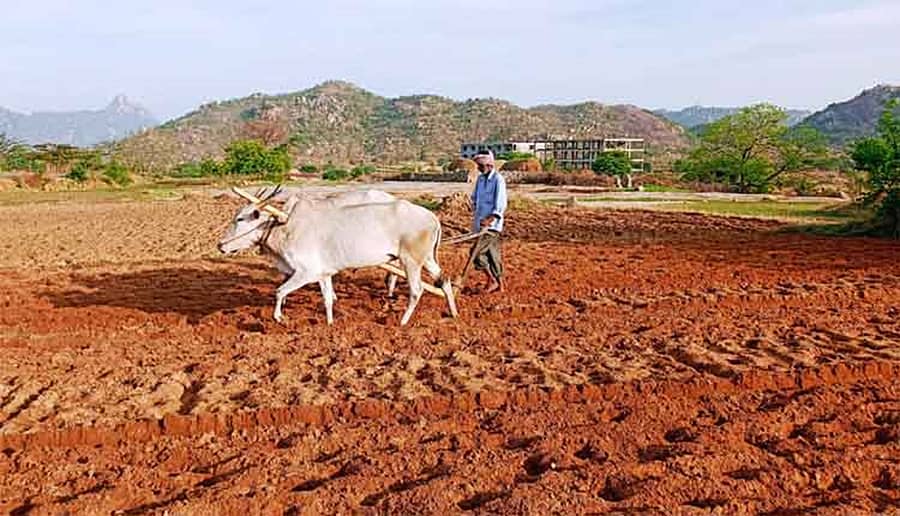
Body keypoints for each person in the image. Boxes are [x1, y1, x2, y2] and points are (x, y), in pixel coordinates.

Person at [469, 150, 508, 293]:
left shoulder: (498, 179)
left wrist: (490, 219)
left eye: (480, 166)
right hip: (480, 223)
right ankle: (500, 285)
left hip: (492, 225)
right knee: (493, 254)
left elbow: (501, 204)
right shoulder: (480, 179)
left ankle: (492, 280)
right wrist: (472, 205)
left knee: (476, 253)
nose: (478, 169)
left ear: (489, 165)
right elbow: (474, 197)